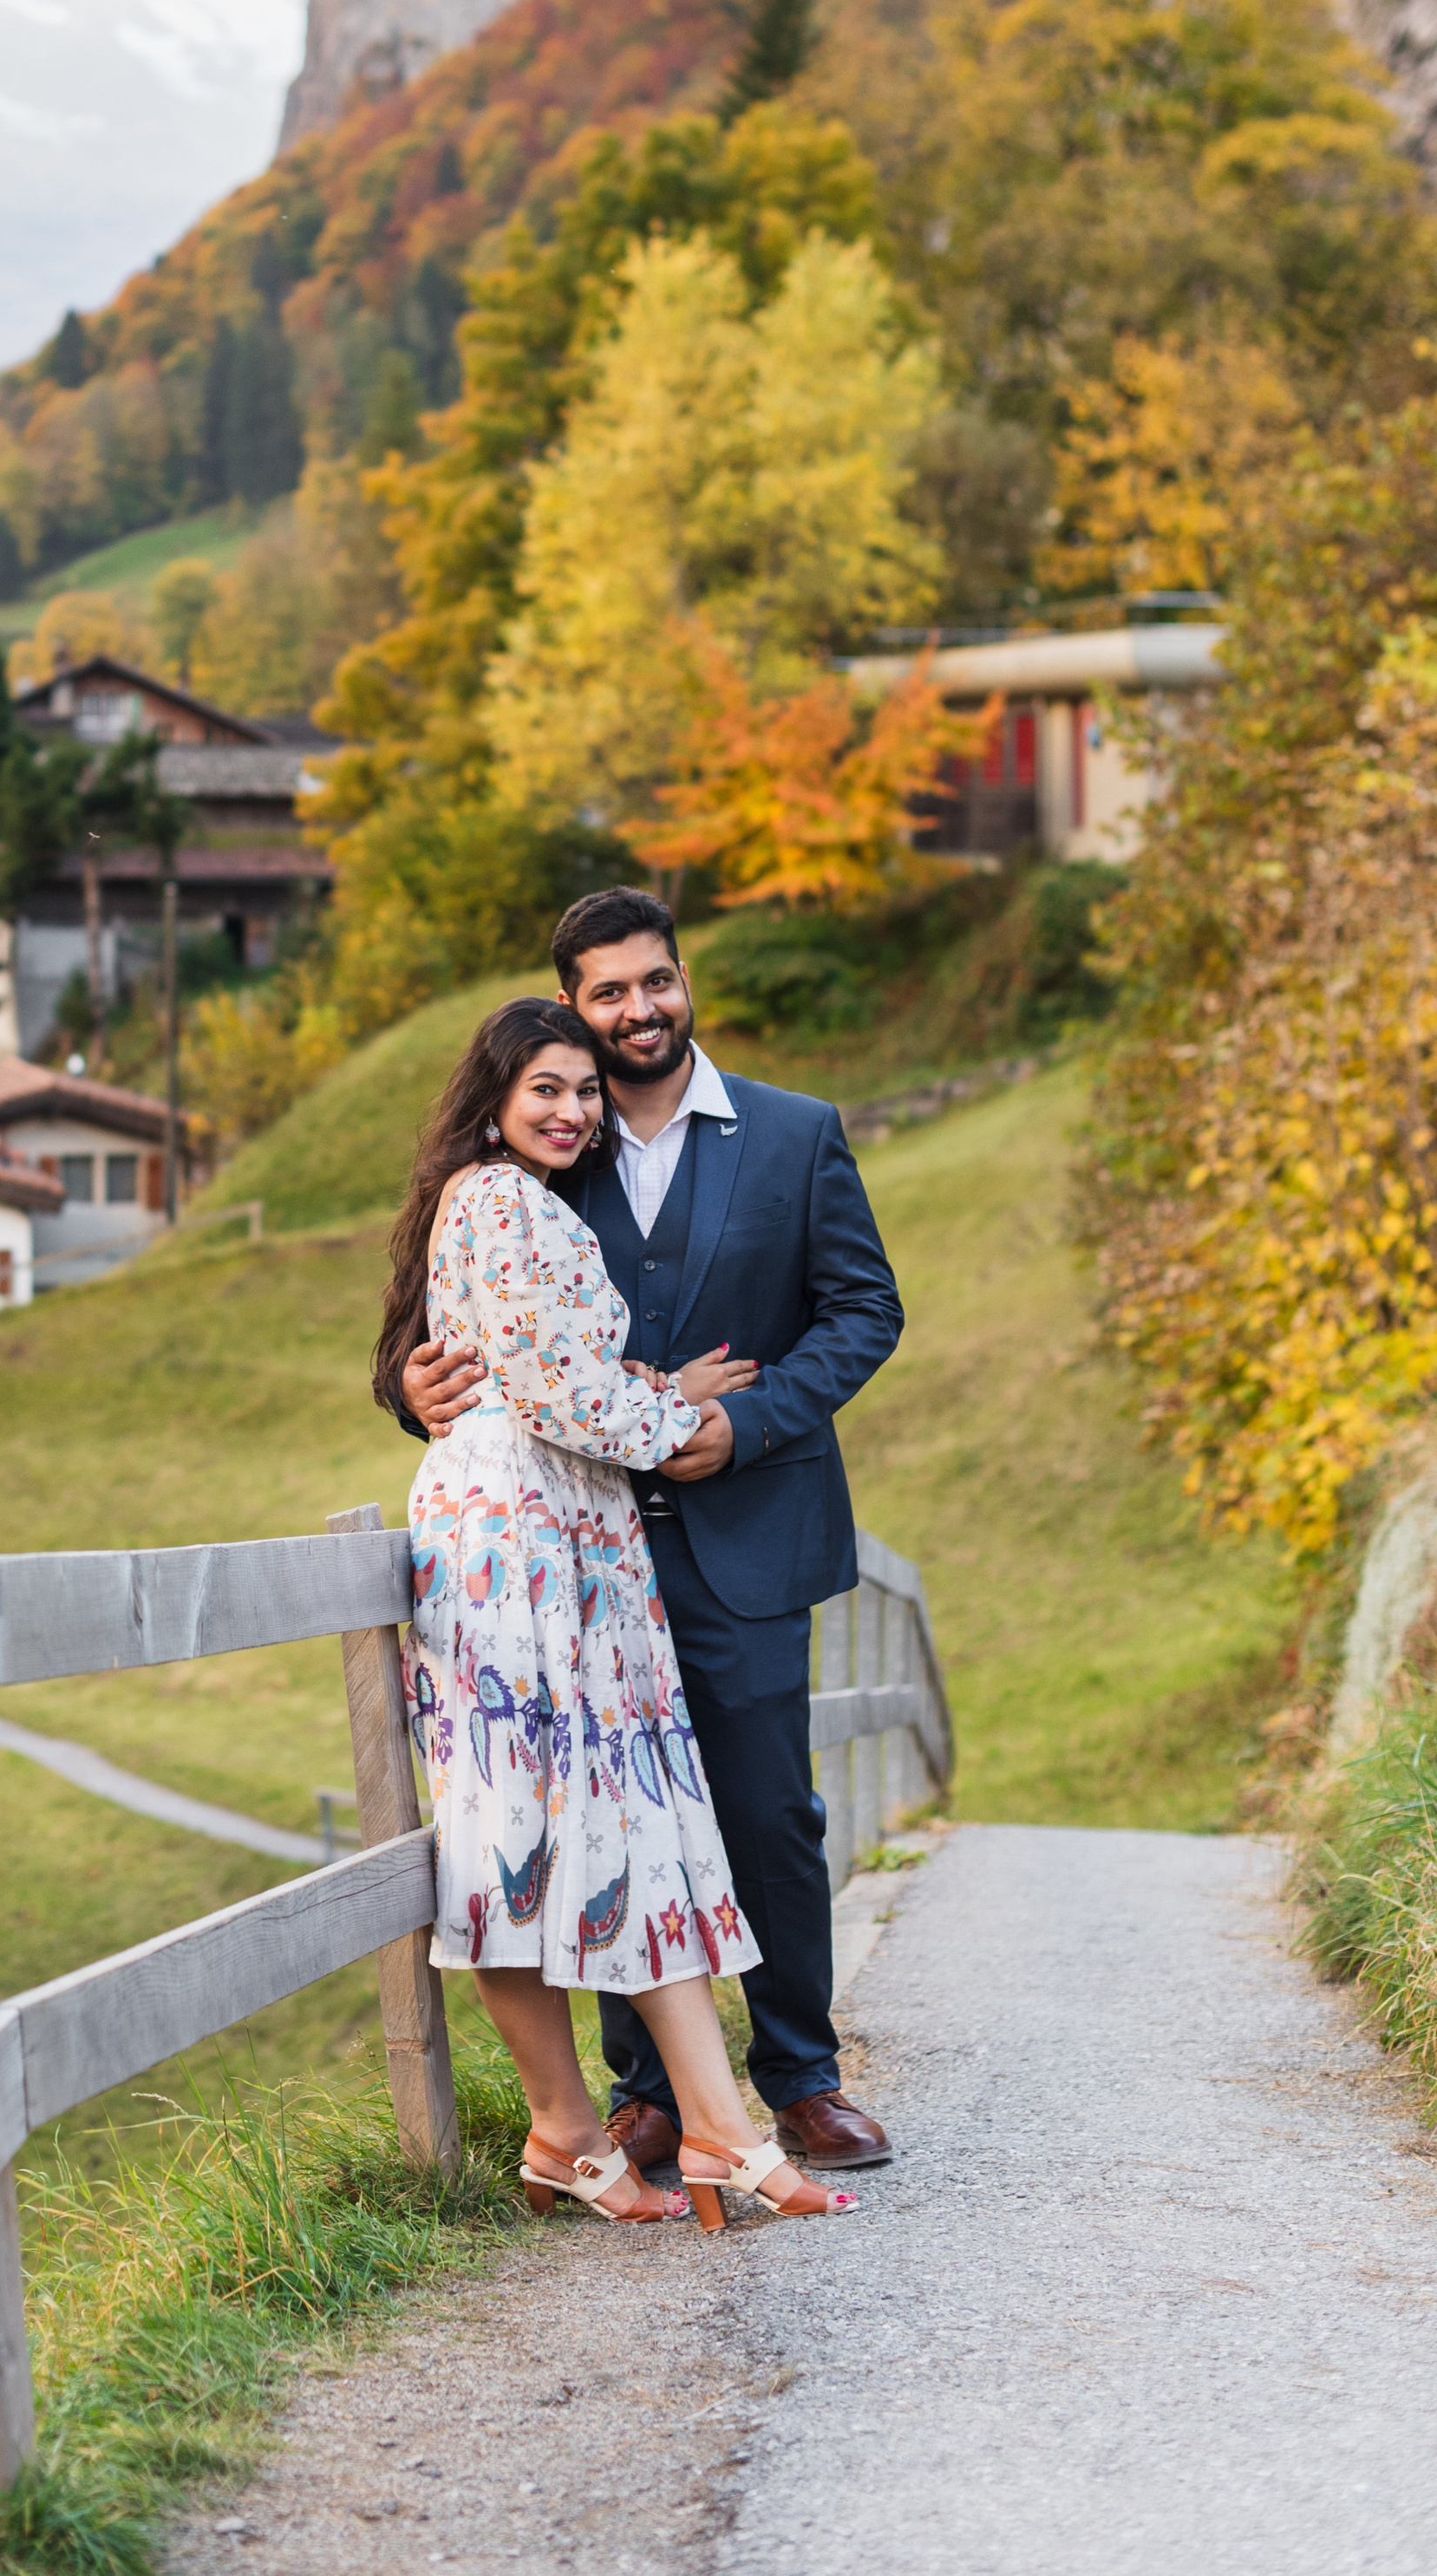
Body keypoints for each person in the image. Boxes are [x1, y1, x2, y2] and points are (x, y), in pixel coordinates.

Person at [401, 889, 904, 2181]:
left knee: (764, 1809)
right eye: (609, 992)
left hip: (747, 1524)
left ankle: (801, 2076)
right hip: (579, 1547)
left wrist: (746, 1427)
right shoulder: (539, 1154)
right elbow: (453, 1328)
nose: (639, 1009)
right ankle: (651, 2099)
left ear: (686, 981)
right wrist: (406, 1386)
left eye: (656, 981)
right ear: (573, 1004)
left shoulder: (794, 1135)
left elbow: (863, 1312)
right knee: (609, 1806)